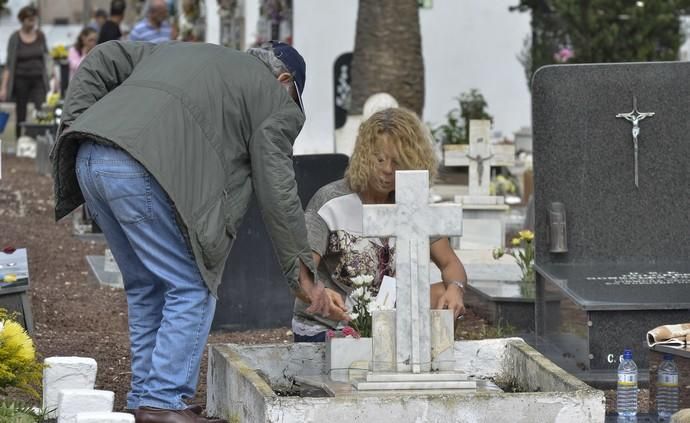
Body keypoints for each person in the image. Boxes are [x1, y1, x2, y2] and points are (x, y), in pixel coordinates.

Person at [51, 40, 348, 423]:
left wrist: (75, 124)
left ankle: (145, 398)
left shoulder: (183, 50)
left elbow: (105, 55)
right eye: (293, 96)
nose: (290, 106)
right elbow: (278, 189)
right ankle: (162, 400)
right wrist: (304, 277)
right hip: (141, 167)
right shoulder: (274, 99)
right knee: (192, 287)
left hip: (92, 156)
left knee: (146, 286)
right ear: (284, 78)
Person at [292, 107, 468, 342]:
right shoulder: (330, 202)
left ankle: (432, 365)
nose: (387, 170)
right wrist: (320, 295)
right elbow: (300, 274)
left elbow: (450, 264)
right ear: (364, 156)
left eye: (397, 162)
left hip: (387, 319)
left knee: (441, 295)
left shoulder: (411, 206)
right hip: (332, 323)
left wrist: (456, 288)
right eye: (380, 159)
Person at [0, 5, 50, 138]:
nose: (32, 23)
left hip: (38, 79)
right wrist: (4, 87)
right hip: (20, 80)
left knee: (41, 109)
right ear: (22, 20)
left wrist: (53, 77)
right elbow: (9, 64)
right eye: (29, 20)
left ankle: (41, 139)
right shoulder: (15, 38)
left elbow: (47, 57)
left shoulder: (40, 36)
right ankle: (19, 139)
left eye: (34, 20)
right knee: (20, 111)